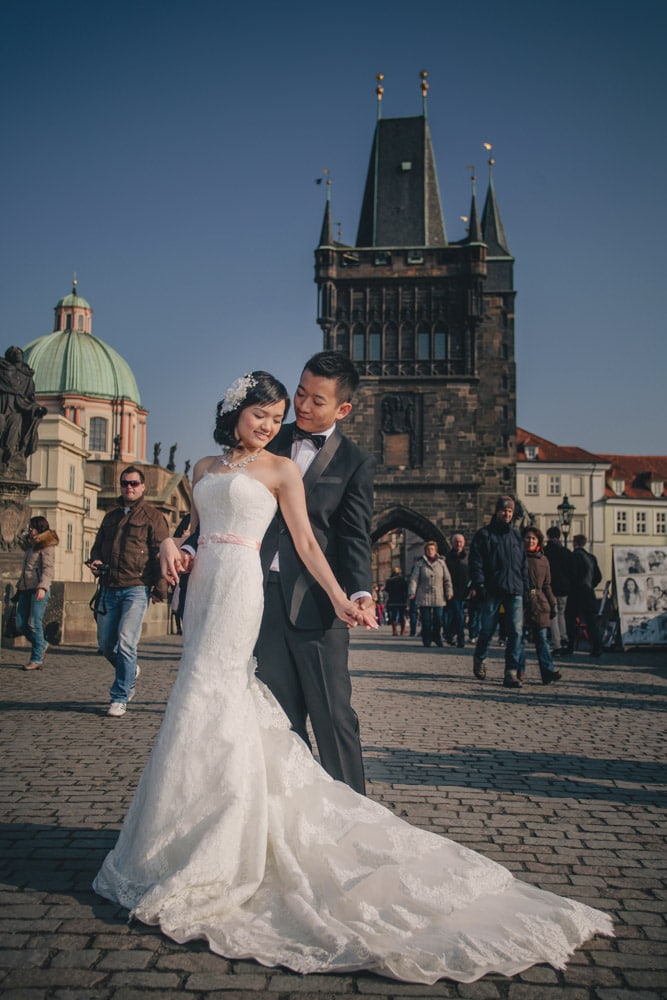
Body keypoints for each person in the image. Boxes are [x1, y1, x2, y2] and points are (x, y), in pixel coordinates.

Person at [94, 372, 612, 984]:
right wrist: (169, 551)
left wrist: (345, 596)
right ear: (235, 410)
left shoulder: (282, 469)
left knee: (231, 698)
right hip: (208, 590)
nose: (268, 424)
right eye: (260, 413)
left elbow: (312, 544)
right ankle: (183, 829)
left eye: (276, 415)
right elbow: (188, 533)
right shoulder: (202, 468)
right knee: (195, 703)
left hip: (239, 599)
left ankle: (234, 834)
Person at [164, 352, 376, 795]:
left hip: (316, 599)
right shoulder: (265, 436)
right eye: (300, 392)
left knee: (333, 714)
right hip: (250, 597)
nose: (300, 406)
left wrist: (357, 592)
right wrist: (178, 543)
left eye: (316, 400)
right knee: (276, 714)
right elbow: (207, 517)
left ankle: (352, 810)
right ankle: (287, 809)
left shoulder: (354, 461)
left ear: (343, 409)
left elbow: (352, 535)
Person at [88, 465, 169, 716]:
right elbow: (98, 547)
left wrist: (160, 588)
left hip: (136, 586)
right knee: (105, 644)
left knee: (126, 642)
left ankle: (120, 696)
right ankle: (130, 669)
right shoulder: (110, 516)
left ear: (143, 486)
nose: (129, 487)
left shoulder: (153, 517)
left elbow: (162, 554)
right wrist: (96, 562)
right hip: (109, 586)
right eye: (125, 483)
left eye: (134, 483)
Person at [469, 496, 530, 688]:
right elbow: (476, 563)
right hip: (492, 590)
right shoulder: (484, 535)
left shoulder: (516, 536)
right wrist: (480, 586)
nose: (507, 514)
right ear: (496, 511)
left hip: (514, 590)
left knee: (516, 632)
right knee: (487, 630)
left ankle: (511, 672)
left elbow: (523, 565)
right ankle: (480, 656)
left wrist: (526, 588)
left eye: (510, 511)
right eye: (504, 510)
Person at [16, 516, 59, 670]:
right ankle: (42, 644)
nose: (30, 530)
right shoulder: (31, 544)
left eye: (32, 528)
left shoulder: (46, 545)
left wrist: (42, 587)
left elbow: (48, 569)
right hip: (25, 588)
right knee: (20, 624)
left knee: (34, 624)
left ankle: (36, 659)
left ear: (39, 529)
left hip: (38, 589)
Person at [520, 527, 562, 685]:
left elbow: (547, 585)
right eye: (528, 538)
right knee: (520, 640)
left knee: (542, 640)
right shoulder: (519, 557)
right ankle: (519, 671)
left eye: (533, 538)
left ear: (538, 541)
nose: (530, 541)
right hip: (523, 601)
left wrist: (552, 603)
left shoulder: (543, 560)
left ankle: (547, 671)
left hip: (540, 603)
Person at [0, 346, 47, 464]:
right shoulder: (2, 370)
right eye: (14, 352)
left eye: (19, 352)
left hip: (17, 411)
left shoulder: (27, 376)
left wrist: (37, 409)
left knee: (13, 437)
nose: (18, 354)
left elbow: (30, 399)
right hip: (3, 406)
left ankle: (8, 460)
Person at [564, 535, 603, 658]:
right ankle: (597, 647)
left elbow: (570, 575)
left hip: (575, 593)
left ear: (574, 543)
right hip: (589, 593)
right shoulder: (591, 557)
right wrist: (591, 585)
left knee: (570, 619)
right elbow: (598, 577)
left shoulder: (572, 557)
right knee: (591, 622)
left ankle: (570, 646)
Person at [408, 541, 452, 647]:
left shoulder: (441, 563)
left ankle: (437, 637)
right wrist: (412, 592)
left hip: (438, 595)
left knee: (438, 619)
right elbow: (414, 579)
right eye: (428, 549)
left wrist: (449, 592)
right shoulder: (420, 564)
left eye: (432, 549)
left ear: (435, 550)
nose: (430, 551)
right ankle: (426, 639)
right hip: (424, 595)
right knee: (426, 620)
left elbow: (447, 579)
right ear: (425, 551)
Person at [544, 526, 573, 655]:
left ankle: (557, 644)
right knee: (562, 614)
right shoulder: (566, 552)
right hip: (565, 588)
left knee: (553, 616)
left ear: (548, 536)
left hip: (551, 588)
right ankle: (564, 637)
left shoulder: (546, 552)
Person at [444, 532, 469, 647]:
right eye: (456, 542)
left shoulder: (468, 557)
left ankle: (449, 634)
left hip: (465, 590)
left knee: (456, 615)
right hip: (452, 591)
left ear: (464, 543)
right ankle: (461, 639)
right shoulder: (447, 558)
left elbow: (473, 573)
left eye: (460, 542)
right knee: (458, 614)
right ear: (452, 543)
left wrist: (473, 587)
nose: (458, 544)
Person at [385, 565, 409, 635]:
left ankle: (394, 630)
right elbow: (405, 589)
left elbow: (386, 589)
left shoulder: (389, 580)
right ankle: (402, 630)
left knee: (393, 616)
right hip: (401, 600)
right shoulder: (402, 579)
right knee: (402, 615)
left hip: (392, 600)